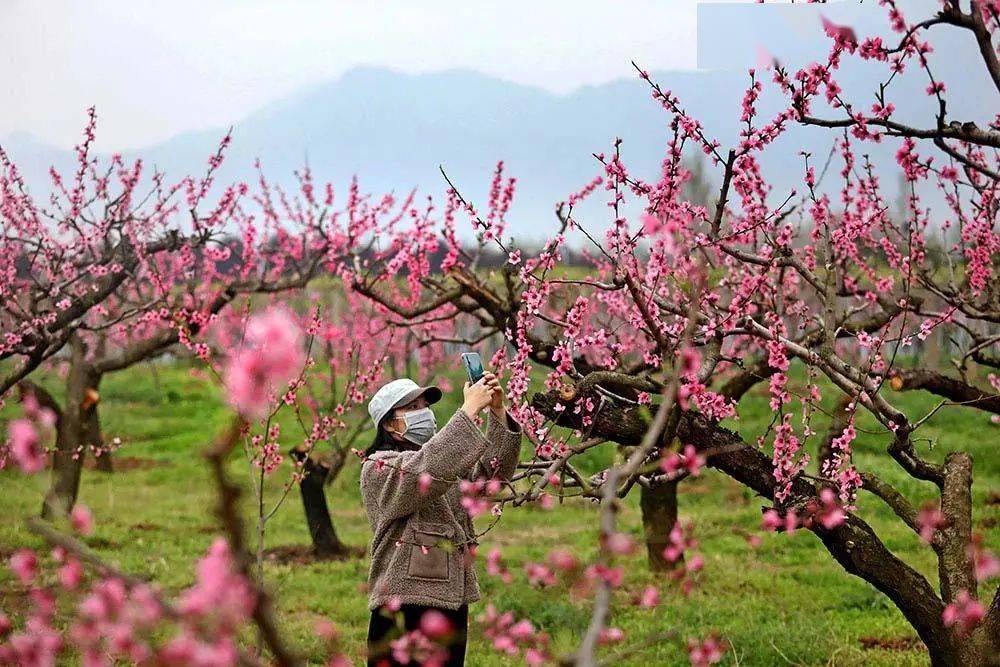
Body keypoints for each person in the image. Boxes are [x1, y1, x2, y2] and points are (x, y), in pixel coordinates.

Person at [361, 371, 522, 666]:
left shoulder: (446, 464)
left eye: (424, 406)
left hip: (450, 600)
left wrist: (498, 412)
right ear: (389, 423)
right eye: (410, 408)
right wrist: (468, 410)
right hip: (403, 606)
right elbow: (425, 470)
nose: (423, 414)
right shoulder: (377, 468)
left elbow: (491, 478)